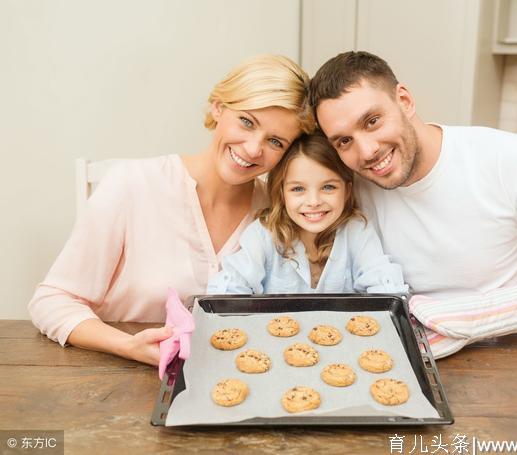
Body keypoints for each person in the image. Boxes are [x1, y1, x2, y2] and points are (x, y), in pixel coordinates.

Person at [308, 51, 517, 358]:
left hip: (512, 358)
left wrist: (472, 317)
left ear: (404, 100)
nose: (367, 151)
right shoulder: (348, 187)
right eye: (343, 141)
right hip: (405, 355)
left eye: (372, 121)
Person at [28, 54, 315, 366]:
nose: (252, 149)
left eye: (275, 141)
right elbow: (52, 301)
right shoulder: (132, 184)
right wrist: (129, 347)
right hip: (119, 382)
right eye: (246, 121)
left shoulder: (279, 212)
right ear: (218, 108)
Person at [206, 131, 407, 295]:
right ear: (282, 192)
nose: (313, 202)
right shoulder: (263, 234)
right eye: (298, 189)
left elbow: (384, 285)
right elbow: (230, 287)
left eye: (328, 187)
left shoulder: (356, 231)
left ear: (347, 191)